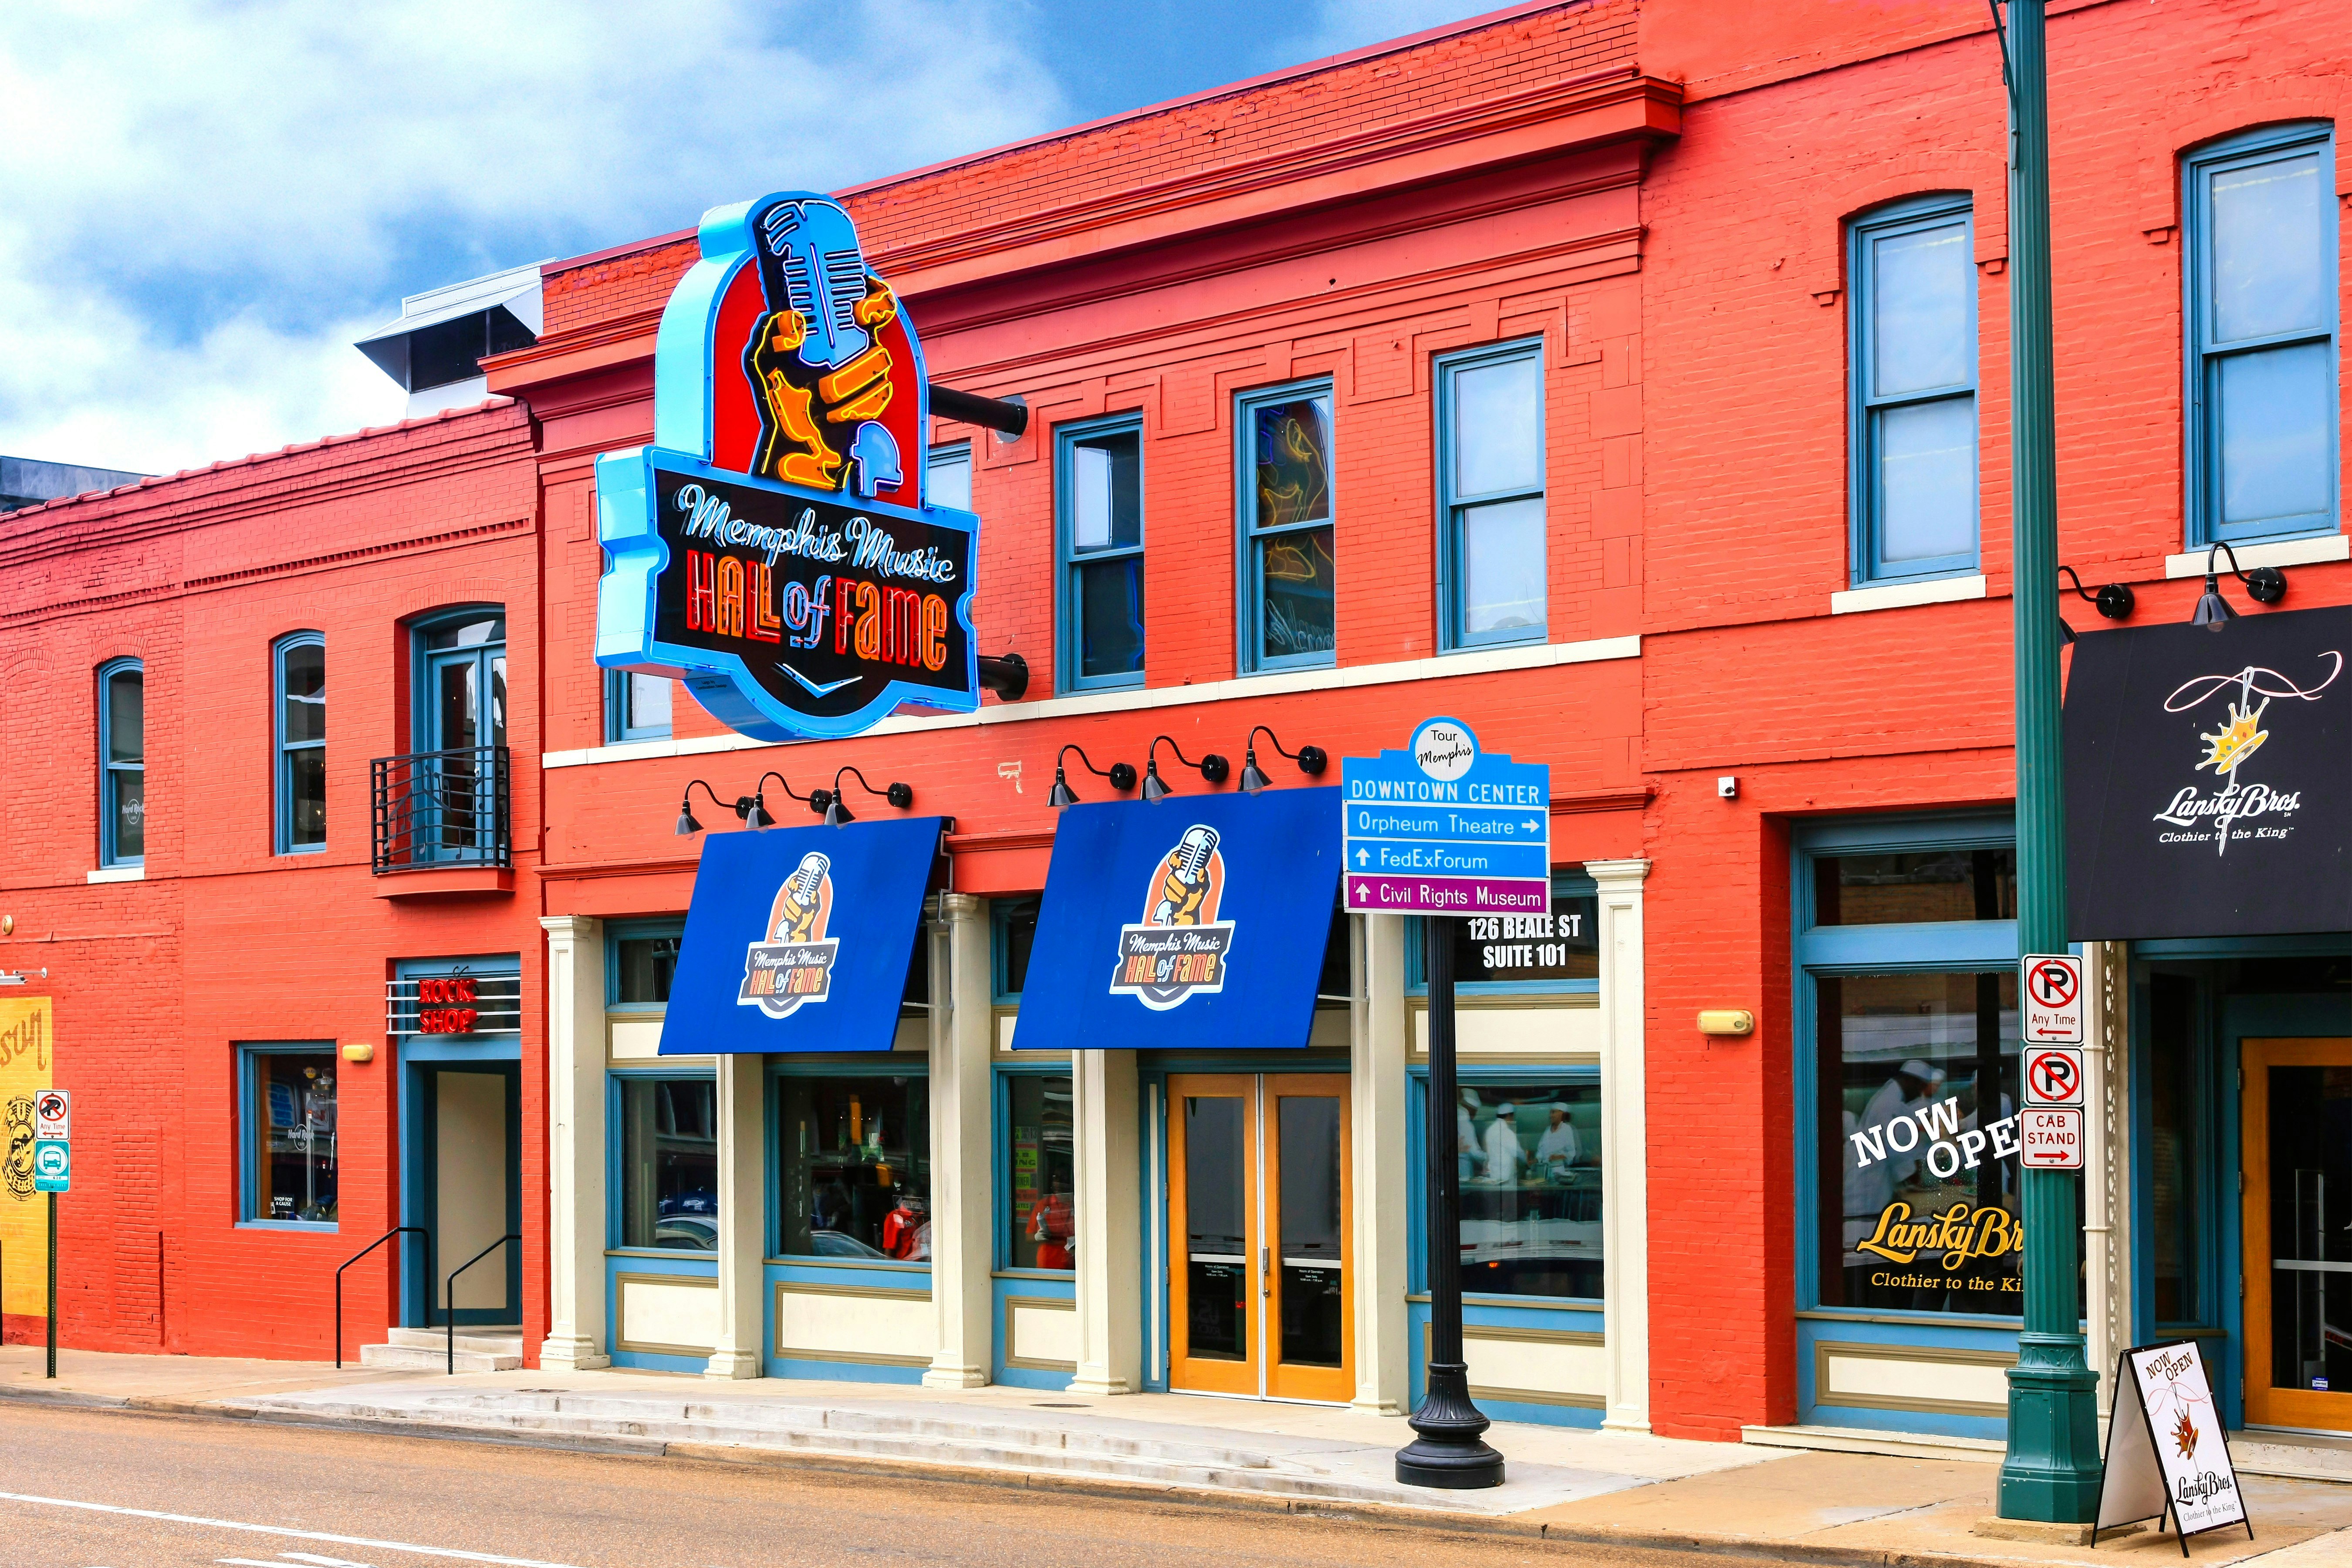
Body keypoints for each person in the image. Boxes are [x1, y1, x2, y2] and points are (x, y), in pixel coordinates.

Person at [1031, 1169, 1075, 1269]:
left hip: (1072, 1264)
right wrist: (1037, 1237)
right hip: (1047, 1263)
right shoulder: (1044, 1204)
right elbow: (1028, 1238)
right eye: (1056, 1178)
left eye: (1064, 1179)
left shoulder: (1078, 1204)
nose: (1059, 1183)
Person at [1478, 1101, 1526, 1186]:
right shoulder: (1507, 1132)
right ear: (1508, 1115)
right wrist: (1527, 1161)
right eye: (1513, 1116)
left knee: (1495, 1196)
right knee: (1507, 1196)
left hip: (1493, 1173)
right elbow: (1517, 1151)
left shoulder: (1490, 1130)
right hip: (1506, 1174)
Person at [1535, 1102, 1580, 1176]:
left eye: (1554, 1113)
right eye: (1551, 1113)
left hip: (1560, 1172)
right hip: (1545, 1172)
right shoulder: (1547, 1130)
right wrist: (1536, 1160)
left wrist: (1558, 1157)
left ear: (1561, 1114)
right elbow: (1540, 1151)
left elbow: (1572, 1154)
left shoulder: (1567, 1129)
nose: (1551, 1116)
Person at [1456, 1088, 1485, 1183]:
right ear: (1471, 1109)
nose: (1475, 1115)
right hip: (1463, 1169)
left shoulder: (1454, 1115)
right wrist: (1491, 1157)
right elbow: (1474, 1152)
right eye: (1475, 1112)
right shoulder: (1465, 1122)